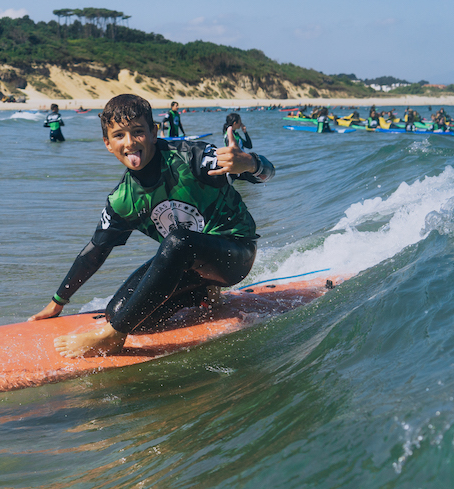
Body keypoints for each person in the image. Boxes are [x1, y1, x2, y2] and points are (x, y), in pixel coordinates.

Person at [29, 94, 275, 358]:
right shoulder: (123, 199)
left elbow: (267, 173)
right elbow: (94, 252)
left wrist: (250, 163)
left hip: (235, 254)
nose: (130, 142)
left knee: (179, 241)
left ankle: (113, 336)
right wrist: (57, 302)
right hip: (191, 269)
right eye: (119, 135)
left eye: (138, 132)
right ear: (107, 144)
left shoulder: (192, 157)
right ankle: (202, 294)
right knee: (121, 313)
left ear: (154, 133)